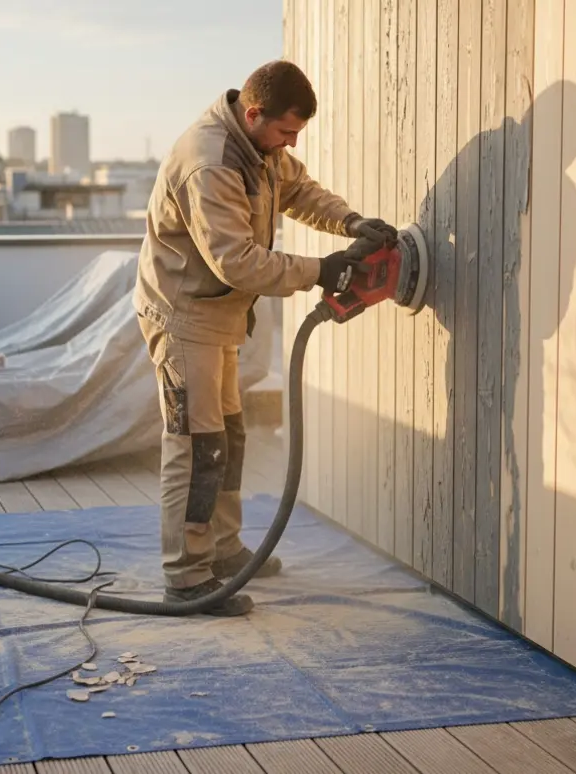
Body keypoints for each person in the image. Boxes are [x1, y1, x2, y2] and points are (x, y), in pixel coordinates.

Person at [133, 59, 398, 616]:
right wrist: (321, 270)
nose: (289, 144)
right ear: (253, 113)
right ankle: (186, 577)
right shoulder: (211, 162)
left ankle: (223, 553)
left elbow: (298, 190)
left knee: (227, 437)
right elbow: (236, 263)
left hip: (218, 318)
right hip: (184, 320)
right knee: (196, 447)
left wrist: (351, 223)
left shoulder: (259, 147)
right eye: (285, 132)